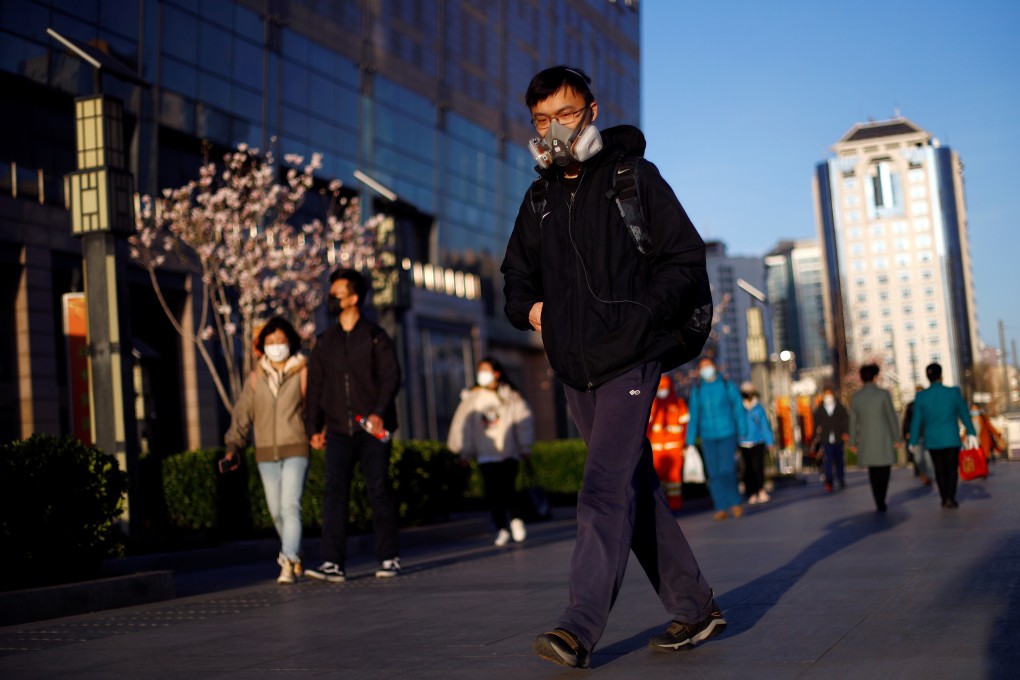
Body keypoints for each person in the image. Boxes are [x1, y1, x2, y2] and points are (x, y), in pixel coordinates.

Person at [501, 66, 724, 669]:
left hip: (630, 356)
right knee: (633, 484)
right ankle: (696, 607)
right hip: (575, 367)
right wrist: (531, 310)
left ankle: (578, 627)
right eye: (542, 120)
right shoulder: (540, 198)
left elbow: (683, 256)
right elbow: (514, 273)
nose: (553, 130)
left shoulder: (634, 177)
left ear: (591, 111)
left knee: (602, 486)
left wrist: (643, 317)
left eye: (565, 115)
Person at [303, 268, 402, 583]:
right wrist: (313, 428)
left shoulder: (375, 335)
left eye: (337, 294)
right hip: (336, 430)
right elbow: (316, 389)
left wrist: (377, 412)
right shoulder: (324, 342)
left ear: (355, 297)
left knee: (378, 489)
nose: (331, 299)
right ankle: (332, 563)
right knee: (334, 493)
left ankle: (388, 557)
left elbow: (390, 377)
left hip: (372, 428)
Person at [222, 317, 309, 584]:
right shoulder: (256, 377)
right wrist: (233, 446)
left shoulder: (304, 371)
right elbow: (242, 414)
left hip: (296, 447)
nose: (276, 346)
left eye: (280, 341)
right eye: (270, 342)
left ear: (291, 342)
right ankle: (294, 553)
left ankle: (287, 560)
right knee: (276, 512)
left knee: (290, 506)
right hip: (265, 452)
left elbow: (317, 408)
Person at [447, 357, 535, 546]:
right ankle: (501, 528)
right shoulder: (472, 398)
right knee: (493, 492)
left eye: (486, 370)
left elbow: (523, 422)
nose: (482, 374)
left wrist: (525, 446)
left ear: (496, 373)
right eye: (480, 370)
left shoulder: (511, 395)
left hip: (508, 450)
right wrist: (465, 451)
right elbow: (465, 426)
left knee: (509, 488)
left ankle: (515, 519)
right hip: (485, 453)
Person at [910, 363, 978, 509]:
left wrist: (913, 440)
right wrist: (971, 432)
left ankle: (943, 497)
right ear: (941, 375)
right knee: (952, 468)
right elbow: (964, 413)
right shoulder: (953, 392)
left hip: (932, 439)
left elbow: (917, 420)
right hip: (951, 437)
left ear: (928, 377)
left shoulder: (921, 396)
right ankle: (951, 497)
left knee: (939, 468)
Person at [686, 357, 746, 521]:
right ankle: (720, 507)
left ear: (714, 367)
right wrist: (690, 440)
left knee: (727, 469)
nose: (706, 369)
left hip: (727, 432)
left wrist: (743, 430)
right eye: (702, 367)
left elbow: (738, 407)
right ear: (699, 371)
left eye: (708, 366)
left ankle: (734, 503)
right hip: (707, 436)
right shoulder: (697, 390)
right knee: (714, 473)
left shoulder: (726, 385)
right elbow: (694, 416)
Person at [848, 364, 900, 512]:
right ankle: (882, 498)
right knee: (884, 469)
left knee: (873, 471)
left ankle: (878, 499)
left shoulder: (857, 397)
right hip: (884, 438)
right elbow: (891, 417)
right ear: (876, 377)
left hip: (866, 439)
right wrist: (897, 438)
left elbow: (853, 421)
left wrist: (853, 441)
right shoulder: (883, 394)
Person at [647, 374, 689, 510]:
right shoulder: (651, 404)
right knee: (658, 478)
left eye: (664, 387)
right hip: (656, 448)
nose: (662, 390)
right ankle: (661, 506)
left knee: (674, 478)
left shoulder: (678, 403)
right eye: (660, 387)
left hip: (674, 447)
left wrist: (686, 444)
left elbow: (686, 425)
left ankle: (675, 504)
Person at [738, 382, 773, 505]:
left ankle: (760, 490)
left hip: (758, 440)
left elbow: (765, 425)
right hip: (743, 442)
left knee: (758, 467)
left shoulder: (758, 407)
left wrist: (769, 441)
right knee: (748, 469)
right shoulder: (738, 407)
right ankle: (751, 493)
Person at [811, 385, 850, 493]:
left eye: (829, 394)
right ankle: (829, 481)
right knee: (827, 460)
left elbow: (846, 420)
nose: (828, 396)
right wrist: (814, 438)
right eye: (826, 394)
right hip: (826, 438)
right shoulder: (819, 409)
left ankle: (841, 478)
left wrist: (846, 432)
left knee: (839, 460)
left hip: (838, 437)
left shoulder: (839, 407)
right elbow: (815, 424)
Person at [902, 385, 933, 485]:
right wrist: (905, 433)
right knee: (918, 458)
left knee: (928, 458)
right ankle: (922, 474)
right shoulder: (911, 406)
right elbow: (907, 421)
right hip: (917, 435)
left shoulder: (929, 404)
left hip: (928, 434)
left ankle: (928, 476)